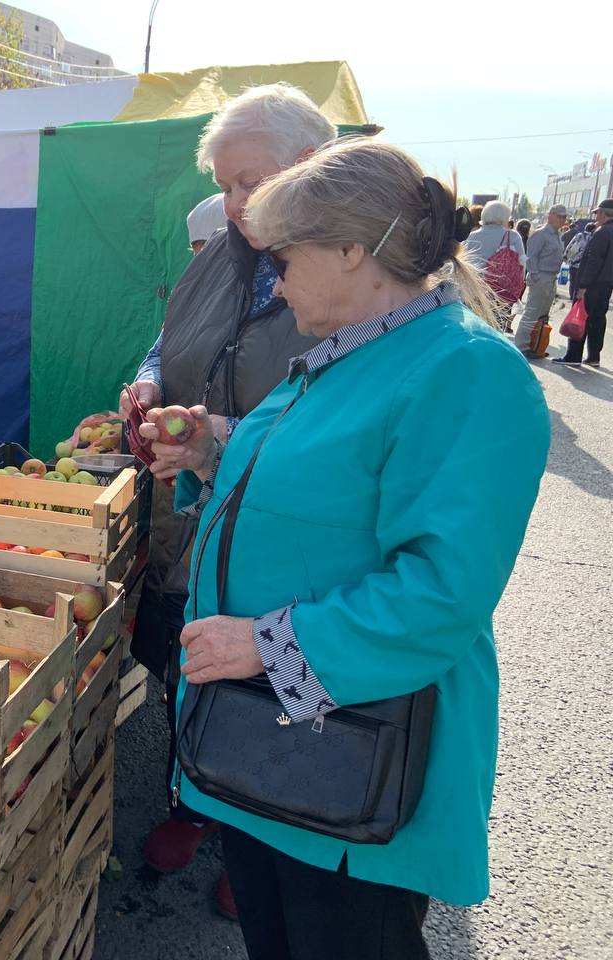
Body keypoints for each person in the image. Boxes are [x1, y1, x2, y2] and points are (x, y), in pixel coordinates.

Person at [146, 138, 549, 960]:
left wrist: (261, 647)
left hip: (355, 767)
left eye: (284, 253)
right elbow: (331, 486)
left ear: (351, 249)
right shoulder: (354, 351)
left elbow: (440, 592)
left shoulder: (466, 372)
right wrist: (213, 449)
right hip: (278, 755)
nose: (274, 272)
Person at [120, 83, 335, 917]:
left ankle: (271, 828)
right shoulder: (226, 252)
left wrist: (221, 435)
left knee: (281, 677)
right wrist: (147, 386)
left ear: (310, 167)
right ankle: (197, 800)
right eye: (226, 183)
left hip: (286, 525)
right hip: (199, 508)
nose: (235, 200)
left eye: (250, 180)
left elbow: (339, 426)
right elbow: (166, 340)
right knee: (190, 651)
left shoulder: (341, 278)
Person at [555, 197, 613, 366]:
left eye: (597, 213)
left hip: (592, 284)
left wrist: (583, 285)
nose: (596, 216)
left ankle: (573, 356)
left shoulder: (602, 232)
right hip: (606, 285)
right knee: (597, 320)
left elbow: (593, 261)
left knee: (580, 317)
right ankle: (594, 356)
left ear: (602, 213)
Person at [462, 199, 526, 330]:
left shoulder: (471, 236)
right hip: (500, 292)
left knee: (473, 327)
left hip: (474, 290)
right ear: (503, 217)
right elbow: (522, 265)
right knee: (495, 329)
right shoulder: (512, 236)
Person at [514, 204, 567, 356]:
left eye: (564, 217)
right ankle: (522, 346)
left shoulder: (557, 234)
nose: (563, 220)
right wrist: (537, 277)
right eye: (560, 216)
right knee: (532, 313)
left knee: (543, 314)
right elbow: (532, 258)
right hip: (541, 277)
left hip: (550, 278)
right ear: (551, 215)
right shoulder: (541, 234)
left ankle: (536, 344)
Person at [564, 221, 597, 303]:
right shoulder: (593, 237)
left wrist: (565, 256)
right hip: (584, 265)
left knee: (572, 280)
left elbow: (571, 245)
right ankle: (579, 298)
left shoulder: (579, 235)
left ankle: (572, 296)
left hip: (574, 262)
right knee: (580, 282)